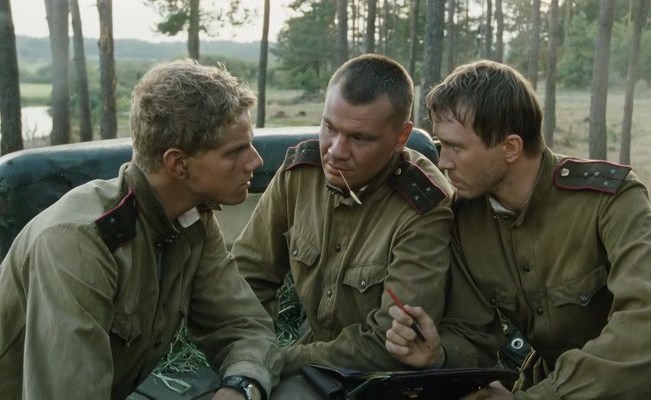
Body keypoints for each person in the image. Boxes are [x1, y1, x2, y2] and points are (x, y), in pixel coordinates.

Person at [385, 60, 651, 399]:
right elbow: (473, 334)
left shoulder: (610, 201)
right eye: (441, 144)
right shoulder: (467, 219)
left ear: (510, 148)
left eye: (456, 147)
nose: (443, 161)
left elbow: (649, 329)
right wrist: (439, 354)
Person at [0, 59, 283, 400]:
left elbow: (244, 327)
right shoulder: (78, 243)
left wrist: (241, 388)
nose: (255, 161)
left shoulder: (191, 219)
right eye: (235, 151)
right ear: (178, 163)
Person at [233, 54, 454, 396]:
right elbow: (248, 277)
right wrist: (250, 354)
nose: (335, 151)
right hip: (307, 361)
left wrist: (275, 360)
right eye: (329, 128)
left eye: (359, 138)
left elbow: (390, 343)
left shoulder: (424, 207)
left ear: (400, 137)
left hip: (380, 379)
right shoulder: (299, 175)